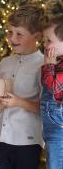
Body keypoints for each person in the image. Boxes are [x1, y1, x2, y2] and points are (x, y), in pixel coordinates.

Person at [0, 5, 47, 169]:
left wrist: (17, 102)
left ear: (36, 36)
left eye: (19, 34)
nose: (12, 38)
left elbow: (47, 108)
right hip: (0, 138)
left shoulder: (43, 65)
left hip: (27, 142)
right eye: (9, 32)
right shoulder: (5, 63)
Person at [40, 14, 63, 169]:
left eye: (49, 40)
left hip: (59, 131)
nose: (45, 45)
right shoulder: (57, 61)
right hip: (51, 129)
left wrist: (48, 66)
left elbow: (55, 89)